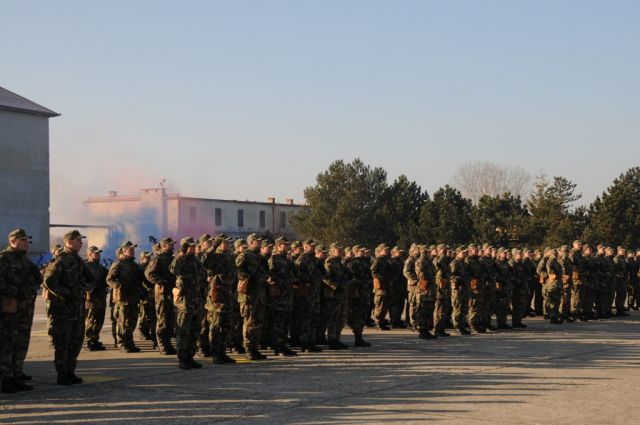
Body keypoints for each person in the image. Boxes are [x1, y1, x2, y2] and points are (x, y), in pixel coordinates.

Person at [43, 229, 94, 385]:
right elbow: (49, 281)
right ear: (68, 241)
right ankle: (62, 374)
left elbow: (91, 279)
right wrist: (67, 293)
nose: (81, 243)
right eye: (78, 240)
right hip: (63, 310)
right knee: (63, 343)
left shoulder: (78, 260)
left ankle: (70, 371)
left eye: (81, 240)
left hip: (77, 309)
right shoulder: (60, 260)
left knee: (76, 341)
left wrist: (84, 289)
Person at [0, 229, 41, 393]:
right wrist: (17, 292)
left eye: (27, 240)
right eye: (23, 240)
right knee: (7, 345)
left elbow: (37, 278)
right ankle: (6, 379)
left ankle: (17, 376)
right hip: (10, 310)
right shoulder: (4, 259)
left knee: (21, 344)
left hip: (25, 310)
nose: (26, 243)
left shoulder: (24, 260)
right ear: (12, 241)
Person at [170, 237, 203, 369]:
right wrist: (181, 254)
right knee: (183, 330)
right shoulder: (180, 259)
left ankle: (190, 357)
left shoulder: (195, 260)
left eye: (194, 246)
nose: (193, 248)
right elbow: (173, 269)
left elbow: (202, 273)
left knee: (194, 330)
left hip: (196, 299)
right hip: (184, 301)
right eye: (190, 246)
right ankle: (182, 359)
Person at [107, 241, 145, 353]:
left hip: (134, 298)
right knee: (122, 322)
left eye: (133, 250)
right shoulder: (118, 264)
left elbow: (140, 279)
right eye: (130, 250)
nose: (133, 251)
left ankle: (129, 343)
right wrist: (119, 286)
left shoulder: (134, 265)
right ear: (124, 251)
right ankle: (122, 343)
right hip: (123, 299)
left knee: (132, 322)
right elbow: (109, 279)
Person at [145, 238, 177, 355]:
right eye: (170, 244)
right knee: (162, 319)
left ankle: (168, 344)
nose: (172, 246)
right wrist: (160, 281)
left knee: (170, 320)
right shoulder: (159, 258)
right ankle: (162, 345)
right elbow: (149, 273)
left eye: (173, 244)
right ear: (164, 245)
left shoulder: (173, 258)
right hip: (162, 293)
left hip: (172, 292)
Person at [84, 246, 108, 351]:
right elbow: (80, 280)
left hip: (101, 298)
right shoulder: (85, 266)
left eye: (99, 253)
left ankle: (94, 339)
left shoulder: (100, 267)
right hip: (91, 299)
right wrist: (88, 290)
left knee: (99, 321)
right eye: (96, 253)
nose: (98, 255)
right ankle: (88, 341)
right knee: (91, 320)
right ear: (90, 254)